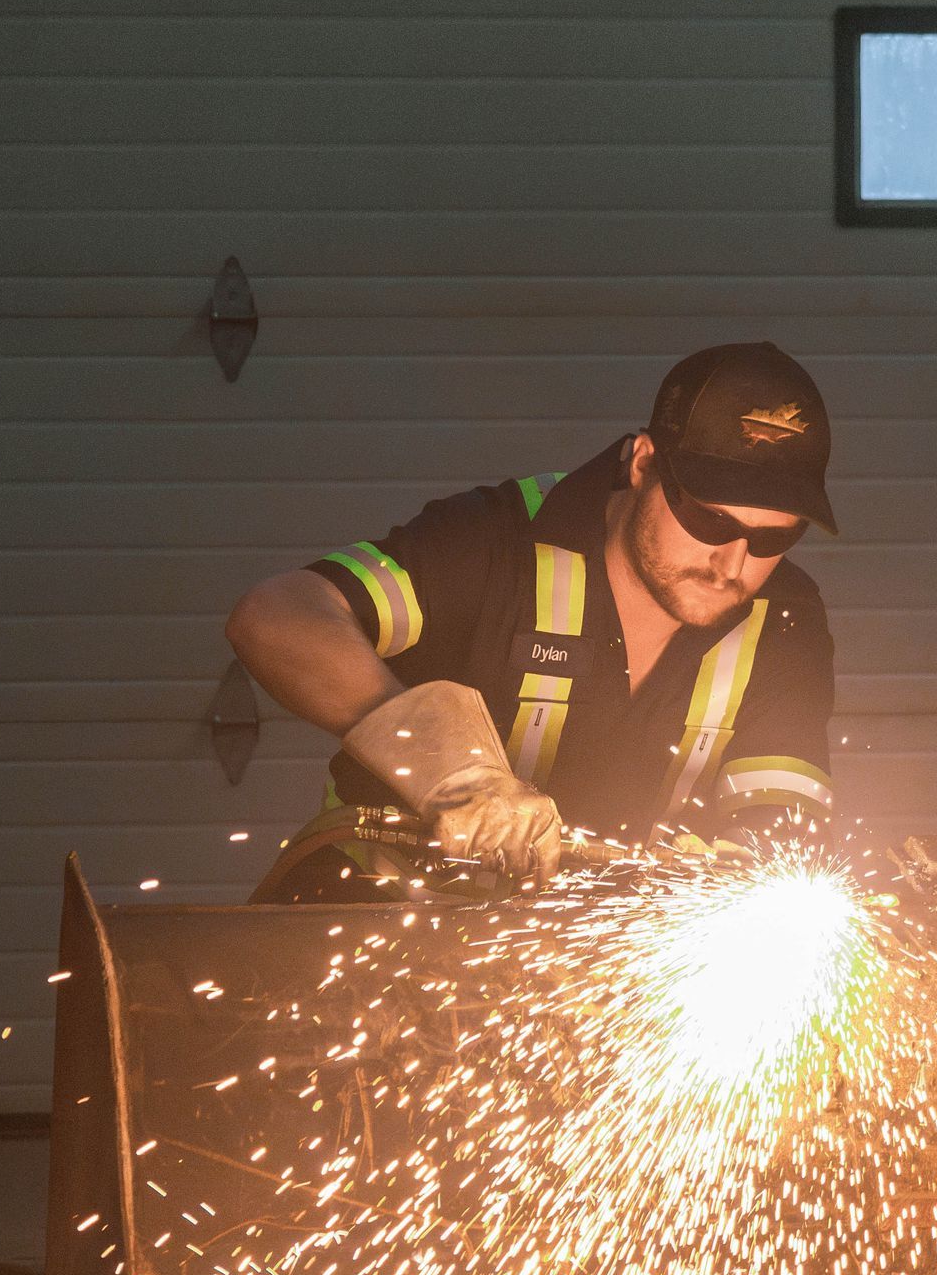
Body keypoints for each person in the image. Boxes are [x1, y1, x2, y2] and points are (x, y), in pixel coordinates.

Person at [227, 342, 839, 899]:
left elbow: (781, 827)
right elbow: (278, 614)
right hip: (369, 921)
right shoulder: (497, 540)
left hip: (596, 970)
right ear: (644, 463)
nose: (732, 563)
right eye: (709, 522)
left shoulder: (786, 619)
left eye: (774, 539)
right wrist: (451, 770)